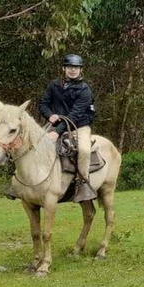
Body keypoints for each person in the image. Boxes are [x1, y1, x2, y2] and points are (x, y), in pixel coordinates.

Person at [39, 54, 97, 202]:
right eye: (70, 67)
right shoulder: (54, 85)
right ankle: (23, 180)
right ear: (64, 68)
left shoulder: (85, 90)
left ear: (81, 70)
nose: (73, 70)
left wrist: (57, 133)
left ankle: (82, 184)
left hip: (79, 126)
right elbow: (43, 103)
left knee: (84, 150)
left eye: (76, 67)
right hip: (57, 124)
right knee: (33, 143)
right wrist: (49, 115)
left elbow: (74, 115)